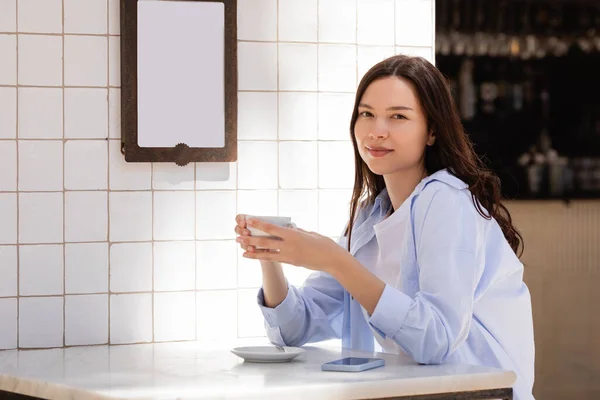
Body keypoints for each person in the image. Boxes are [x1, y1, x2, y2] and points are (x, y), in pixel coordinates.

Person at [234, 55, 535, 400]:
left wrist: (336, 261)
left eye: (398, 116)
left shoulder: (447, 201)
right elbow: (294, 328)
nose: (377, 130)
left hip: (481, 394)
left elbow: (435, 339)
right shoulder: (372, 215)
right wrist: (268, 253)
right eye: (366, 114)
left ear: (432, 131)